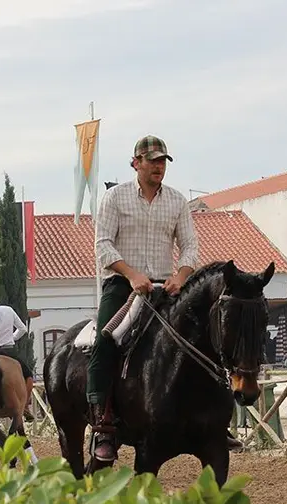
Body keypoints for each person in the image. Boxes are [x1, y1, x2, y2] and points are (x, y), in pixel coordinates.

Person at [89, 134, 240, 462]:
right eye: (152, 161)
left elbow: (189, 246)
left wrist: (181, 277)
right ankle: (104, 424)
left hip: (167, 287)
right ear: (136, 163)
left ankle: (213, 421)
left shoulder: (175, 202)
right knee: (106, 340)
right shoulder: (114, 198)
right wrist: (131, 274)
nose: (159, 167)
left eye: (162, 162)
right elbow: (103, 244)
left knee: (203, 340)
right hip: (122, 285)